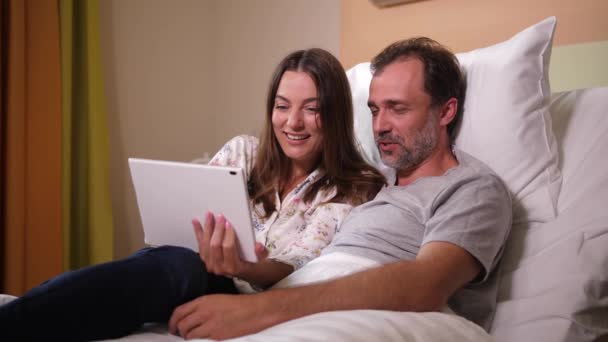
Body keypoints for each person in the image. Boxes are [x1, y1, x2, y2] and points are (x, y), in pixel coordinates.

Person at [0, 48, 386, 341]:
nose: (292, 122)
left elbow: (297, 264)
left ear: (335, 115)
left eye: (311, 110)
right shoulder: (244, 153)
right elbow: (186, 216)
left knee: (181, 267)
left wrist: (244, 265)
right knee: (164, 265)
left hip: (242, 291)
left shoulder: (353, 188)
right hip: (179, 268)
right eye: (282, 107)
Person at [167, 37, 512, 341]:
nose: (380, 126)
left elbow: (425, 285)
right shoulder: (380, 183)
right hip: (304, 297)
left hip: (359, 314)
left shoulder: (473, 188)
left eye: (398, 109)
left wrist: (257, 310)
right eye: (374, 110)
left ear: (446, 112)